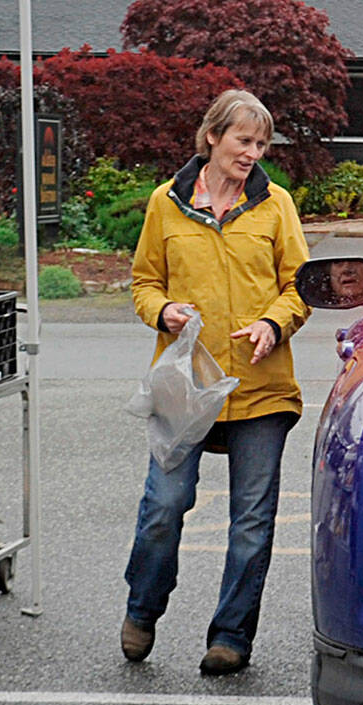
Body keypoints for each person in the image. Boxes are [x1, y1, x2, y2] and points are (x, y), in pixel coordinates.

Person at [122, 89, 311, 675]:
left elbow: (300, 287)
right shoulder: (166, 203)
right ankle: (142, 608)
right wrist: (164, 311)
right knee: (164, 507)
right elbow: (142, 283)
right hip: (186, 390)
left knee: (251, 523)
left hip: (262, 389)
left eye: (261, 144)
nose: (253, 152)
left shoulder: (276, 206)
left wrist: (273, 324)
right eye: (243, 140)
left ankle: (231, 636)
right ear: (212, 137)